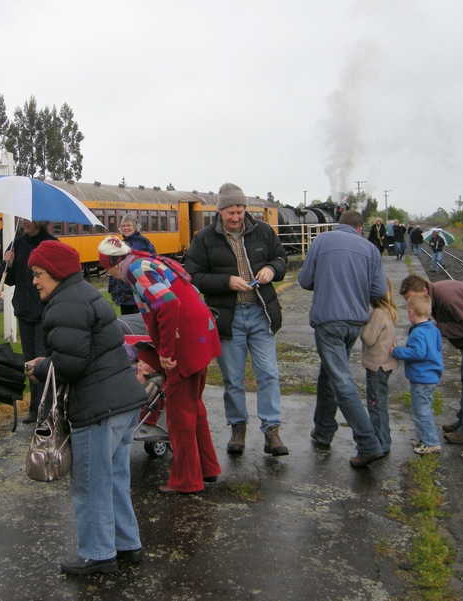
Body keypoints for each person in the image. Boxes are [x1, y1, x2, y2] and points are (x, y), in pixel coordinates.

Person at [24, 240, 148, 576]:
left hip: (99, 408)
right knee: (116, 478)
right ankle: (126, 544)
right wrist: (50, 361)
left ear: (57, 272)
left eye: (39, 274)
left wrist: (39, 369)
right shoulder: (85, 293)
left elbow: (71, 364)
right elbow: (83, 352)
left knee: (91, 483)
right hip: (123, 402)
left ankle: (98, 552)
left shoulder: (65, 304)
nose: (35, 281)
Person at [100, 236, 223, 494]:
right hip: (202, 335)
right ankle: (207, 468)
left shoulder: (135, 270)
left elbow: (167, 303)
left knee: (180, 416)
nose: (113, 276)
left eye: (109, 272)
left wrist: (165, 352)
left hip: (185, 345)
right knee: (194, 407)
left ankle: (187, 481)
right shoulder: (149, 260)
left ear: (111, 266)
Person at [185, 182, 289, 456]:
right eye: (230, 212)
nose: (236, 217)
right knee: (233, 379)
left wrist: (271, 268)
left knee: (268, 374)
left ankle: (271, 430)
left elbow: (282, 259)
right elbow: (192, 275)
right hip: (227, 318)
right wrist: (226, 281)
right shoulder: (204, 239)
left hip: (260, 313)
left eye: (240, 211)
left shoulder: (263, 232)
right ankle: (237, 428)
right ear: (219, 211)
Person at [298, 210, 388, 468]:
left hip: (328, 321)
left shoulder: (322, 241)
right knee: (329, 374)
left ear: (340, 225)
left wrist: (327, 281)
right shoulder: (370, 249)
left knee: (340, 379)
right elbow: (379, 290)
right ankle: (324, 431)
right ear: (360, 228)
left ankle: (368, 442)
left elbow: (304, 280)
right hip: (355, 322)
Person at [399, 273, 463, 444]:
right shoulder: (433, 296)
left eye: (413, 299)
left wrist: (436, 328)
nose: (411, 305)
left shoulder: (448, 299)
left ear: (424, 290)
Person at [2, 219, 57, 423]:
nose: (24, 222)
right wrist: (8, 264)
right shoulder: (17, 244)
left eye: (29, 219)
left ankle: (48, 408)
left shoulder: (51, 244)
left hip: (44, 312)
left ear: (41, 222)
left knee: (42, 361)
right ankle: (34, 409)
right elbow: (9, 279)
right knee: (29, 361)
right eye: (23, 218)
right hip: (24, 310)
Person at [390, 293, 443, 454]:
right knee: (421, 409)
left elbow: (417, 353)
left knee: (421, 411)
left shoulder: (418, 333)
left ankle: (431, 442)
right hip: (430, 376)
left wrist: (396, 351)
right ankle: (424, 437)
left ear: (411, 312)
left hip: (422, 378)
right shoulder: (433, 330)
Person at [360, 278, 398, 455]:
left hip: (377, 366)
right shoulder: (389, 311)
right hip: (386, 364)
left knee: (376, 404)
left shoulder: (377, 314)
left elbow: (368, 338)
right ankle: (385, 440)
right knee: (381, 402)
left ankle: (381, 443)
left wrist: (362, 327)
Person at [108, 214, 156, 315]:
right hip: (123, 294)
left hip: (137, 290)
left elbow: (150, 263)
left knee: (139, 322)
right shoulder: (121, 243)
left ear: (135, 226)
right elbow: (114, 265)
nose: (126, 228)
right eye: (123, 226)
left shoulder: (143, 242)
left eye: (128, 225)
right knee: (128, 322)